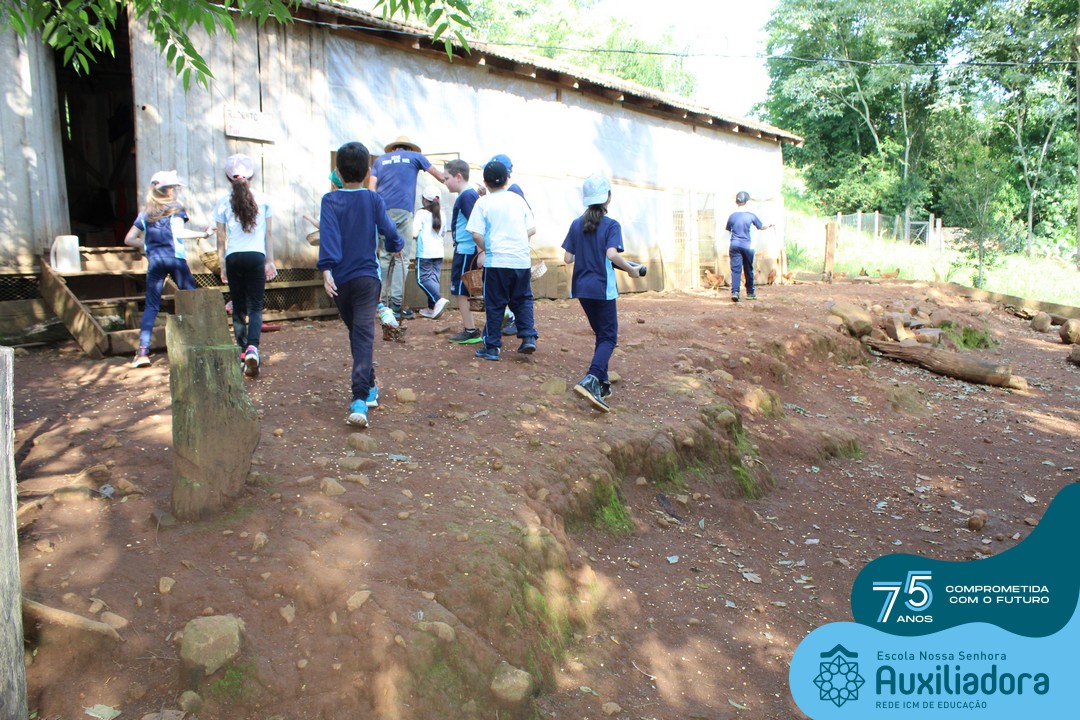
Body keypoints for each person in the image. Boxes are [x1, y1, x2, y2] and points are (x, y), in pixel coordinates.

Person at [318, 142, 402, 428]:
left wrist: (326, 270)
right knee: (360, 335)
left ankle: (359, 398)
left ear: (338, 172)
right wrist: (397, 244)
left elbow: (328, 236)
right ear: (368, 172)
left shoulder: (329, 201)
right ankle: (370, 387)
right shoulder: (373, 199)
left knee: (360, 335)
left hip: (339, 280)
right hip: (367, 278)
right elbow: (389, 230)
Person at [562, 174, 640, 412]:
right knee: (608, 337)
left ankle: (603, 383)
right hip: (602, 288)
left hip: (581, 288)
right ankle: (592, 378)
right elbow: (612, 255)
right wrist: (631, 270)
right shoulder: (611, 225)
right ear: (608, 197)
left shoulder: (576, 224)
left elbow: (567, 258)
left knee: (601, 334)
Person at [123, 170, 211, 368]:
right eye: (174, 187)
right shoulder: (175, 208)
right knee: (192, 298)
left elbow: (129, 239)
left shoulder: (146, 213)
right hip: (176, 259)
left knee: (151, 305)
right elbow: (178, 233)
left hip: (155, 261)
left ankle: (142, 352)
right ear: (170, 190)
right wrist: (203, 235)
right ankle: (202, 343)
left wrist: (147, 245)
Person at [466, 160, 538, 361]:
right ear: (507, 180)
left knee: (495, 303)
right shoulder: (518, 200)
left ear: (485, 183)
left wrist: (489, 247)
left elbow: (476, 234)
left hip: (496, 262)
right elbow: (532, 228)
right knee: (523, 299)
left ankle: (492, 347)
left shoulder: (483, 203)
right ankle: (528, 337)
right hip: (520, 260)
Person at [369, 135, 446, 319]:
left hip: (382, 210)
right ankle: (396, 305)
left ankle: (383, 303)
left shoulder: (379, 161)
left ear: (393, 148)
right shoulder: (415, 157)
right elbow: (440, 176)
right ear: (409, 148)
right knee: (401, 257)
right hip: (403, 210)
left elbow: (371, 189)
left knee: (385, 257)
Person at [214, 154, 276, 377]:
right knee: (255, 306)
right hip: (256, 256)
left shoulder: (223, 202)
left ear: (228, 178)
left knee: (238, 308)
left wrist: (222, 265)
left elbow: (221, 238)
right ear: (252, 176)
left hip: (233, 257)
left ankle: (242, 353)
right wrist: (270, 261)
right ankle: (253, 349)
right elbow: (268, 234)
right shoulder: (264, 199)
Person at [442, 159, 484, 343]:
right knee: (470, 289)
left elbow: (477, 224)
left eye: (446, 178)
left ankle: (470, 329)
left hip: (467, 250)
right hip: (466, 249)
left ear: (458, 176)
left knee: (461, 290)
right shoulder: (469, 195)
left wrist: (481, 251)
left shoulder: (466, 196)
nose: (444, 182)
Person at [725, 191, 773, 302]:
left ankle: (735, 292)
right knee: (748, 269)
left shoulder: (732, 217)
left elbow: (729, 231)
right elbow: (761, 227)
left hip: (734, 245)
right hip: (747, 246)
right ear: (747, 202)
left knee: (735, 270)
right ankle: (750, 292)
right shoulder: (751, 216)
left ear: (737, 202)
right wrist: (770, 224)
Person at [413, 186, 449, 319]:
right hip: (438, 252)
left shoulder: (421, 214)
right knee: (433, 280)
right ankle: (432, 308)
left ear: (424, 200)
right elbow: (443, 233)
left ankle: (438, 300)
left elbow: (414, 233)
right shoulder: (442, 214)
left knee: (422, 279)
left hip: (425, 253)